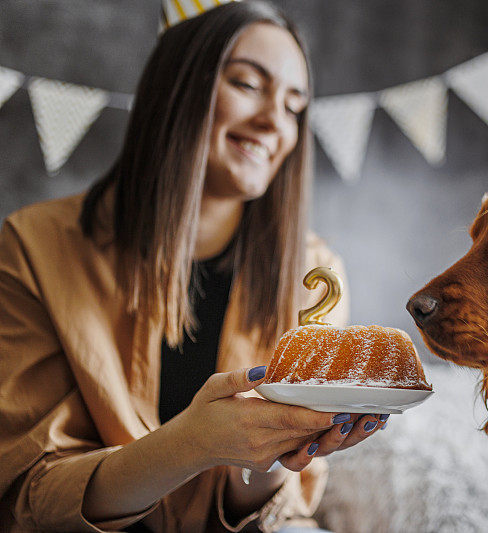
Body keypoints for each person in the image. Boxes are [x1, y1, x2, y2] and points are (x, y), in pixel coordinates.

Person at [0, 2, 385, 531]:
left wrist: (276, 451)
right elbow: (29, 496)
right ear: (177, 88)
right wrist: (192, 443)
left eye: (295, 106)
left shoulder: (314, 275)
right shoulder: (32, 248)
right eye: (248, 84)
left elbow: (279, 511)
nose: (276, 122)